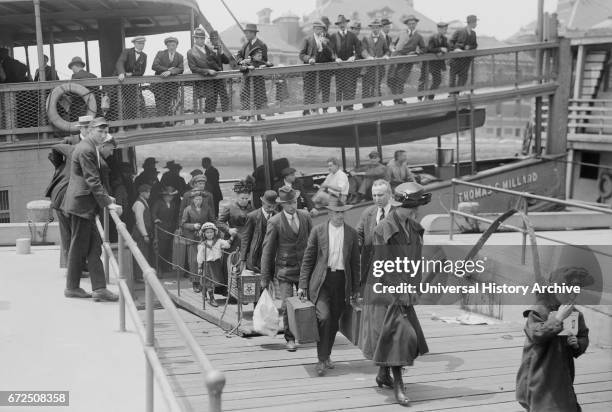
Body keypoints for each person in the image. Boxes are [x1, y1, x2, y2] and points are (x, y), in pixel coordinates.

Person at [359, 182, 431, 407]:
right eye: (414, 205)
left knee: (389, 335)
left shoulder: (415, 228)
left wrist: (415, 289)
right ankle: (399, 385)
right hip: (386, 291)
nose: (416, 210)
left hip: (405, 290)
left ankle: (383, 374)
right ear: (406, 205)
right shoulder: (384, 229)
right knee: (400, 335)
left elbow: (416, 263)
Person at [298, 196, 360, 376]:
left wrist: (356, 289)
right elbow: (308, 259)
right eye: (336, 212)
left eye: (342, 212)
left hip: (342, 282)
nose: (340, 216)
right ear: (330, 213)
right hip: (322, 282)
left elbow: (356, 263)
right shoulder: (318, 231)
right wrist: (302, 285)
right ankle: (321, 359)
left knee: (334, 321)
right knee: (324, 317)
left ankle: (326, 356)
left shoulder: (352, 233)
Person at [516, 267, 592, 412]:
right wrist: (558, 319)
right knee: (546, 405)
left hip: (562, 373)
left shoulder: (574, 313)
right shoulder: (539, 310)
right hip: (540, 373)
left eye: (576, 290)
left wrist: (577, 344)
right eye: (567, 290)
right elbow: (535, 334)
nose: (572, 295)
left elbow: (583, 335)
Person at [61, 117, 121, 301]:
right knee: (79, 247)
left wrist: (105, 198)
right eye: (100, 131)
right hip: (81, 205)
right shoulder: (86, 149)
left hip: (85, 204)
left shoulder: (90, 146)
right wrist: (108, 203)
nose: (103, 135)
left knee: (94, 247)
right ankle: (72, 288)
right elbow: (92, 180)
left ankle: (99, 289)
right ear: (90, 130)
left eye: (105, 132)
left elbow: (93, 182)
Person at [260, 186, 313, 352]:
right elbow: (268, 251)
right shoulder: (275, 222)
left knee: (308, 303)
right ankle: (289, 338)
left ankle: (307, 334)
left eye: (294, 202)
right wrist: (265, 277)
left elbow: (313, 244)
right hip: (284, 270)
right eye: (289, 203)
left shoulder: (305, 216)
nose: (292, 205)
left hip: (305, 270)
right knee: (286, 304)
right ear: (282, 204)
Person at [187, 26, 232, 123]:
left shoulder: (209, 48)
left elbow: (223, 61)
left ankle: (226, 118)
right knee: (211, 98)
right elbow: (193, 68)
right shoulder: (191, 52)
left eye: (203, 38)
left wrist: (219, 51)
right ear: (195, 39)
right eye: (199, 38)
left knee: (223, 97)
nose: (201, 40)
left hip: (217, 76)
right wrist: (207, 70)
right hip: (206, 78)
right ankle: (209, 119)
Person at [356, 179, 394, 286]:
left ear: (390, 194)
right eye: (374, 195)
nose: (377, 199)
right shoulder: (367, 213)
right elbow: (359, 234)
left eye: (380, 195)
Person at [181, 190, 216, 293]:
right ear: (192, 200)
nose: (198, 201)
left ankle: (204, 282)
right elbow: (183, 224)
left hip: (204, 238)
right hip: (192, 238)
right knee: (194, 261)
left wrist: (211, 229)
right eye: (196, 199)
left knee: (205, 260)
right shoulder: (187, 209)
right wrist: (193, 226)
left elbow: (213, 220)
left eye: (200, 199)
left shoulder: (207, 208)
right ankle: (195, 282)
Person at [387, 15, 425, 105]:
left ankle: (399, 99)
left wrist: (416, 52)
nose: (412, 25)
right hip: (396, 59)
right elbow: (392, 44)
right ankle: (395, 99)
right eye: (410, 24)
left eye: (413, 23)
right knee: (392, 79)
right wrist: (393, 50)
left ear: (416, 24)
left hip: (408, 61)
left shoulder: (418, 36)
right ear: (407, 25)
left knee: (401, 79)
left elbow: (423, 48)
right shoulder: (401, 33)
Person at [299, 20, 335, 115]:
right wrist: (309, 59)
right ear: (314, 29)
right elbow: (301, 54)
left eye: (321, 29)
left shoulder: (327, 40)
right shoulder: (307, 39)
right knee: (310, 90)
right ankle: (309, 110)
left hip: (324, 70)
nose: (319, 31)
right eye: (317, 29)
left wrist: (325, 45)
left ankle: (325, 109)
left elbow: (332, 56)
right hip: (311, 70)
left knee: (325, 89)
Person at [236, 23, 270, 121]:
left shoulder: (262, 45)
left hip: (256, 76)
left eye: (247, 33)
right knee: (246, 94)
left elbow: (264, 60)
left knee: (257, 95)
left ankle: (258, 116)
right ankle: (248, 115)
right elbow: (238, 55)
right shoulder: (246, 44)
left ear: (253, 33)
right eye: (245, 33)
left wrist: (254, 66)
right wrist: (241, 61)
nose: (246, 35)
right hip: (247, 75)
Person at [240, 190, 278, 272]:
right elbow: (246, 238)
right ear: (263, 203)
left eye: (274, 206)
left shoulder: (278, 216)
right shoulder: (252, 216)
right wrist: (243, 259)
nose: (271, 209)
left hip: (273, 255)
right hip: (256, 254)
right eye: (269, 206)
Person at [197, 222, 233, 307]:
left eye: (211, 232)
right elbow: (200, 256)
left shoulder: (218, 241)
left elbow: (227, 245)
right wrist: (199, 266)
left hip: (216, 264)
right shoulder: (202, 244)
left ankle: (204, 293)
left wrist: (232, 237)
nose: (209, 234)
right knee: (209, 282)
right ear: (204, 234)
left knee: (213, 281)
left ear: (215, 232)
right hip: (207, 264)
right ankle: (211, 298)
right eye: (207, 232)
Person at [330, 15, 362, 112]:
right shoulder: (334, 36)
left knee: (350, 86)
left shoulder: (352, 35)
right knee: (339, 87)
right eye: (340, 24)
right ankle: (339, 108)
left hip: (350, 67)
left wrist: (354, 57)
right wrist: (335, 58)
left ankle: (349, 107)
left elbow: (359, 49)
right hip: (339, 67)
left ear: (346, 24)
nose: (342, 25)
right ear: (338, 25)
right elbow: (331, 50)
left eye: (343, 23)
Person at [151, 36, 184, 121]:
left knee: (170, 103)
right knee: (160, 103)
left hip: (172, 85)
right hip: (159, 85)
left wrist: (171, 72)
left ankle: (170, 122)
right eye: (169, 45)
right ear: (167, 46)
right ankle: (161, 122)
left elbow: (181, 69)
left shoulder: (180, 56)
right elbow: (154, 66)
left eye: (173, 45)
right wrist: (167, 69)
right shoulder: (160, 54)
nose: (171, 47)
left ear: (176, 46)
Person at [114, 37, 147, 120]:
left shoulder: (144, 56)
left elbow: (141, 72)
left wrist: (131, 74)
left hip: (132, 83)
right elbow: (120, 62)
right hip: (120, 81)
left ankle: (131, 122)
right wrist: (122, 73)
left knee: (132, 103)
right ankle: (117, 123)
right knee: (117, 102)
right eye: (139, 43)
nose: (141, 45)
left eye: (143, 43)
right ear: (134, 44)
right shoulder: (127, 51)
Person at [361, 19, 390, 108]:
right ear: (371, 28)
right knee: (366, 85)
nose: (375, 29)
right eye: (374, 27)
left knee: (376, 85)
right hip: (368, 67)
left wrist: (386, 55)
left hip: (379, 67)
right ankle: (366, 105)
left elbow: (387, 50)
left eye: (377, 27)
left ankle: (377, 103)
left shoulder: (383, 38)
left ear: (380, 28)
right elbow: (363, 50)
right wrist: (368, 57)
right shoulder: (366, 38)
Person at [239, 45, 273, 121]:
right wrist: (248, 67)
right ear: (253, 56)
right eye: (258, 55)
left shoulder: (260, 62)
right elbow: (241, 69)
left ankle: (259, 116)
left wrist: (265, 65)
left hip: (259, 86)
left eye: (261, 55)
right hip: (250, 87)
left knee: (259, 102)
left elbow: (271, 64)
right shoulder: (248, 62)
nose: (260, 57)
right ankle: (249, 117)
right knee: (250, 102)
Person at [217, 180, 253, 251]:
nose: (244, 200)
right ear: (237, 197)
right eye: (242, 198)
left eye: (246, 198)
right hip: (234, 238)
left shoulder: (252, 209)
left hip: (248, 238)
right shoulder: (229, 208)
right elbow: (219, 222)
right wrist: (228, 229)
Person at [152, 186, 179, 273]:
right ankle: (158, 267)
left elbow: (175, 216)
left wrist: (176, 226)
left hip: (171, 229)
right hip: (161, 229)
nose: (170, 197)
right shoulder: (158, 203)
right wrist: (156, 219)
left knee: (169, 248)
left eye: (171, 196)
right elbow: (153, 213)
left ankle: (166, 266)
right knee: (161, 249)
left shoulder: (174, 204)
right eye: (168, 196)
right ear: (164, 196)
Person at [449, 15, 478, 92]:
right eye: (475, 22)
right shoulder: (459, 31)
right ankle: (451, 95)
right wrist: (456, 49)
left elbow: (475, 45)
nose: (476, 24)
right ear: (471, 22)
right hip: (456, 60)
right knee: (452, 78)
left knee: (463, 78)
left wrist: (469, 47)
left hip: (466, 60)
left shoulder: (473, 33)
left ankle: (457, 94)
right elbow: (450, 42)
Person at [131, 184, 154, 281]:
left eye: (149, 191)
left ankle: (141, 275)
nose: (149, 193)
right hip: (139, 233)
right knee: (141, 253)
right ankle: (139, 276)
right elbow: (139, 221)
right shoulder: (139, 204)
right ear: (141, 193)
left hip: (142, 232)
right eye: (147, 192)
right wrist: (145, 234)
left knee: (144, 253)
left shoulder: (143, 202)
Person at [425, 22, 450, 100]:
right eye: (444, 29)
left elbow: (448, 48)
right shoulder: (432, 38)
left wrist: (443, 51)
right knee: (434, 80)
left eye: (446, 29)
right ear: (439, 29)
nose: (446, 31)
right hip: (432, 63)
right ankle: (428, 97)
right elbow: (429, 49)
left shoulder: (444, 38)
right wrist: (439, 49)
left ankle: (430, 97)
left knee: (437, 80)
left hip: (439, 63)